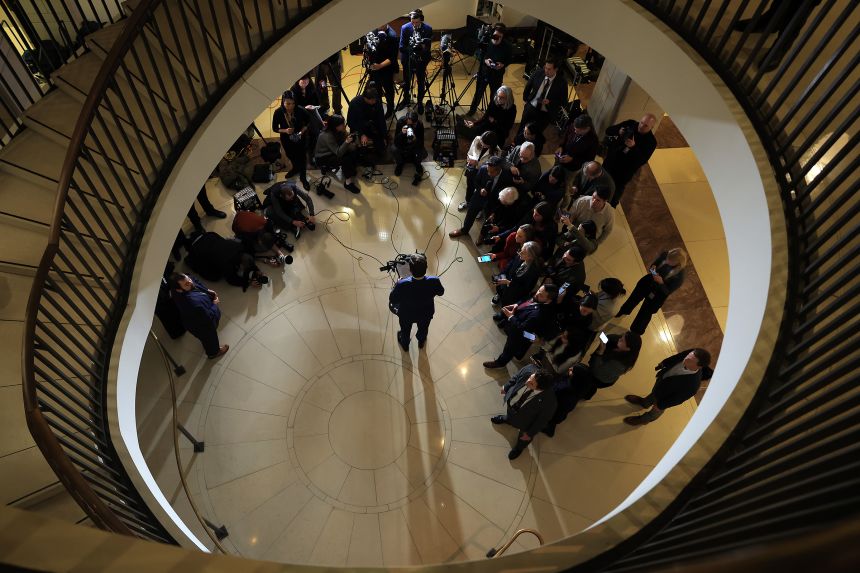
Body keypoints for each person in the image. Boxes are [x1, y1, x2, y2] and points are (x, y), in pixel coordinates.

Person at [543, 331, 642, 436]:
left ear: (628, 349)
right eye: (621, 337)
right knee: (586, 383)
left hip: (600, 377)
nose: (619, 339)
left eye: (623, 340)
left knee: (576, 393)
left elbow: (596, 371)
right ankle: (588, 393)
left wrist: (600, 351)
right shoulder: (617, 343)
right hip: (596, 374)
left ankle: (551, 425)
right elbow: (606, 336)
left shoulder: (619, 365)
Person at [624, 348, 712, 426]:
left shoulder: (692, 386)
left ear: (699, 366)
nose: (686, 358)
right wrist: (664, 363)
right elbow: (677, 357)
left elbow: (676, 399)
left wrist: (660, 405)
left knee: (655, 411)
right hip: (662, 383)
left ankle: (644, 419)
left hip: (666, 397)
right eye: (688, 356)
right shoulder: (692, 353)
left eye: (690, 360)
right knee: (654, 394)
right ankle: (645, 402)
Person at [484, 283, 559, 369]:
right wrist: (517, 305)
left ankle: (500, 363)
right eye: (539, 290)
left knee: (510, 348)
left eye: (541, 295)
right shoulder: (539, 298)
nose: (537, 293)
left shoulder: (538, 314)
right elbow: (527, 300)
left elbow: (522, 330)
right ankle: (518, 353)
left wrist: (511, 317)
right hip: (522, 324)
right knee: (518, 346)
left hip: (523, 333)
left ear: (549, 300)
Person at [491, 365, 557, 459]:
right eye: (531, 378)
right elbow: (515, 377)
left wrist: (529, 434)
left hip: (525, 421)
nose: (527, 382)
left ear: (540, 389)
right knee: (510, 415)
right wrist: (506, 387)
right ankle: (507, 419)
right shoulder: (530, 369)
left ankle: (519, 448)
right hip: (513, 404)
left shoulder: (550, 402)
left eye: (532, 384)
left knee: (523, 437)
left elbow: (541, 421)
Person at [616, 248, 688, 334]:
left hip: (657, 295)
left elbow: (667, 292)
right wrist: (653, 269)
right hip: (647, 283)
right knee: (633, 298)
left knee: (644, 314)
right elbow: (654, 265)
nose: (667, 261)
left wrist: (661, 283)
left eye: (670, 261)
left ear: (678, 264)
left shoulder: (679, 277)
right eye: (667, 259)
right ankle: (623, 311)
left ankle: (635, 331)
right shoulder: (665, 255)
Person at [388, 254, 445, 351]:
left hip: (406, 314)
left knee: (405, 330)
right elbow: (441, 292)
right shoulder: (434, 281)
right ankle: (421, 342)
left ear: (410, 269)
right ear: (426, 268)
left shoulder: (402, 284)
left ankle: (405, 345)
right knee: (423, 328)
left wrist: (397, 284)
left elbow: (393, 299)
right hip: (426, 313)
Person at [449, 155, 513, 239]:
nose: (489, 173)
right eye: (488, 171)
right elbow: (476, 181)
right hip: (479, 197)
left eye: (492, 172)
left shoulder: (506, 176)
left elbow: (505, 194)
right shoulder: (483, 169)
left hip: (494, 201)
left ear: (499, 169)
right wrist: (480, 189)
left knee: (489, 220)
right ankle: (464, 230)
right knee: (470, 212)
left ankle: (482, 236)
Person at [603, 114, 657, 207]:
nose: (641, 126)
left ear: (652, 127)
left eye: (646, 126)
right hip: (610, 162)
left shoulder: (651, 142)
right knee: (600, 182)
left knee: (614, 194)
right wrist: (618, 131)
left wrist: (633, 147)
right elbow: (608, 130)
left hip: (623, 172)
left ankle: (610, 208)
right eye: (641, 122)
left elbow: (641, 161)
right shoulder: (630, 124)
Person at [169, 273, 228, 358]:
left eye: (188, 279)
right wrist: (215, 304)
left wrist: (206, 290)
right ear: (179, 290)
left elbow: (195, 281)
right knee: (210, 337)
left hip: (198, 316)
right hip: (202, 325)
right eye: (187, 284)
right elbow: (208, 317)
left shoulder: (182, 285)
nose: (191, 282)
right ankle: (213, 353)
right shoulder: (192, 304)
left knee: (206, 338)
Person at [184, 232, 267, 291]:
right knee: (214, 277)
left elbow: (248, 260)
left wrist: (257, 271)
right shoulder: (227, 264)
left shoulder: (240, 247)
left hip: (208, 235)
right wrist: (249, 282)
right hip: (197, 248)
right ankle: (189, 260)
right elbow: (232, 280)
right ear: (240, 265)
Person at [468, 23, 513, 116]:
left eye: (500, 37)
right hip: (484, 72)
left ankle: (490, 113)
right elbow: (477, 53)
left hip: (497, 75)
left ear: (503, 36)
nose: (497, 39)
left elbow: (510, 59)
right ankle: (472, 111)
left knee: (494, 95)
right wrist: (485, 60)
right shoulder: (486, 41)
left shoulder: (507, 46)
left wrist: (503, 64)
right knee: (478, 93)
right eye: (495, 36)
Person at [272, 90, 311, 190]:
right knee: (290, 155)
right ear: (283, 102)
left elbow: (308, 122)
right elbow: (275, 128)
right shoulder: (278, 112)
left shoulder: (300, 110)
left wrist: (301, 132)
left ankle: (303, 177)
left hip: (300, 137)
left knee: (302, 157)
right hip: (286, 139)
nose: (291, 106)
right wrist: (285, 130)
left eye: (293, 103)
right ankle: (295, 168)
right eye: (288, 103)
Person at [314, 114, 362, 194]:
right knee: (346, 159)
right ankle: (348, 183)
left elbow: (345, 143)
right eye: (342, 124)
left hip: (332, 151)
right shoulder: (327, 135)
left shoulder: (337, 131)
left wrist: (350, 139)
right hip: (323, 157)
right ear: (335, 126)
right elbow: (339, 153)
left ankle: (349, 170)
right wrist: (347, 142)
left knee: (352, 152)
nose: (344, 125)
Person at [519, 58, 568, 136]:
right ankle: (516, 143)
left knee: (536, 134)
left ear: (556, 69)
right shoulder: (538, 73)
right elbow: (528, 86)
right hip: (531, 106)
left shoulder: (562, 83)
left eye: (549, 69)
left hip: (545, 113)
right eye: (545, 68)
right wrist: (526, 100)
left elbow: (564, 101)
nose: (546, 71)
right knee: (522, 127)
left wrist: (550, 102)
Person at [398, 9, 432, 114]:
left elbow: (428, 48)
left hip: (421, 61)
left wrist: (422, 47)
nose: (415, 24)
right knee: (406, 82)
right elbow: (401, 46)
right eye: (413, 22)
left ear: (421, 20)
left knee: (421, 83)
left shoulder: (428, 29)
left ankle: (420, 102)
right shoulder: (405, 28)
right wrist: (413, 48)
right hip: (408, 60)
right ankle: (406, 99)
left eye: (417, 22)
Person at [491, 240, 543, 307]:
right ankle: (499, 294)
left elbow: (524, 289)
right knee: (500, 288)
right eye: (521, 250)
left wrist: (508, 283)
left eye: (523, 253)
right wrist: (499, 276)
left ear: (531, 257)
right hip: (506, 282)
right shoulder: (520, 256)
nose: (519, 253)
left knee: (506, 303)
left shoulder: (533, 272)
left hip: (514, 293)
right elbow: (508, 267)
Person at [459, 130, 501, 211]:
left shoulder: (497, 151)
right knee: (470, 186)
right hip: (472, 168)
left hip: (484, 173)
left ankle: (478, 209)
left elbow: (492, 166)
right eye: (482, 142)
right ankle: (467, 202)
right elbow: (470, 152)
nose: (482, 144)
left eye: (485, 145)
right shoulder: (478, 139)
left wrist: (477, 164)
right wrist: (469, 159)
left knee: (480, 190)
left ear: (491, 145)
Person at [290, 73, 324, 161]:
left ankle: (313, 154)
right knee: (304, 136)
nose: (305, 84)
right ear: (298, 81)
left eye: (307, 82)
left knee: (314, 134)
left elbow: (318, 103)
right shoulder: (293, 91)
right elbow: (293, 107)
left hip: (311, 113)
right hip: (300, 115)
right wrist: (304, 108)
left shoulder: (312, 88)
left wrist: (313, 106)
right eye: (303, 82)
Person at [347, 87, 387, 157]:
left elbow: (381, 119)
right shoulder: (354, 103)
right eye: (372, 100)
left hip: (372, 126)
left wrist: (384, 135)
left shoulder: (376, 101)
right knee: (362, 151)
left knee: (381, 149)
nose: (374, 102)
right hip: (358, 127)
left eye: (375, 100)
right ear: (365, 98)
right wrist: (361, 134)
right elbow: (350, 122)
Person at [368, 25, 398, 117]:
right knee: (376, 90)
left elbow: (392, 58)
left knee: (388, 91)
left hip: (386, 69)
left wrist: (380, 66)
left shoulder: (392, 36)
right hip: (375, 68)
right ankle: (378, 109)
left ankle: (390, 110)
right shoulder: (373, 31)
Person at [392, 110, 425, 185]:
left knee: (422, 151)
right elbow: (396, 141)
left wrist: (415, 139)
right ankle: (400, 164)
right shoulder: (400, 122)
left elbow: (422, 141)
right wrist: (401, 133)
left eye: (413, 124)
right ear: (406, 120)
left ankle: (417, 164)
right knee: (394, 149)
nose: (411, 126)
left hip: (413, 145)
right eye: (408, 124)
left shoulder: (419, 124)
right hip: (403, 144)